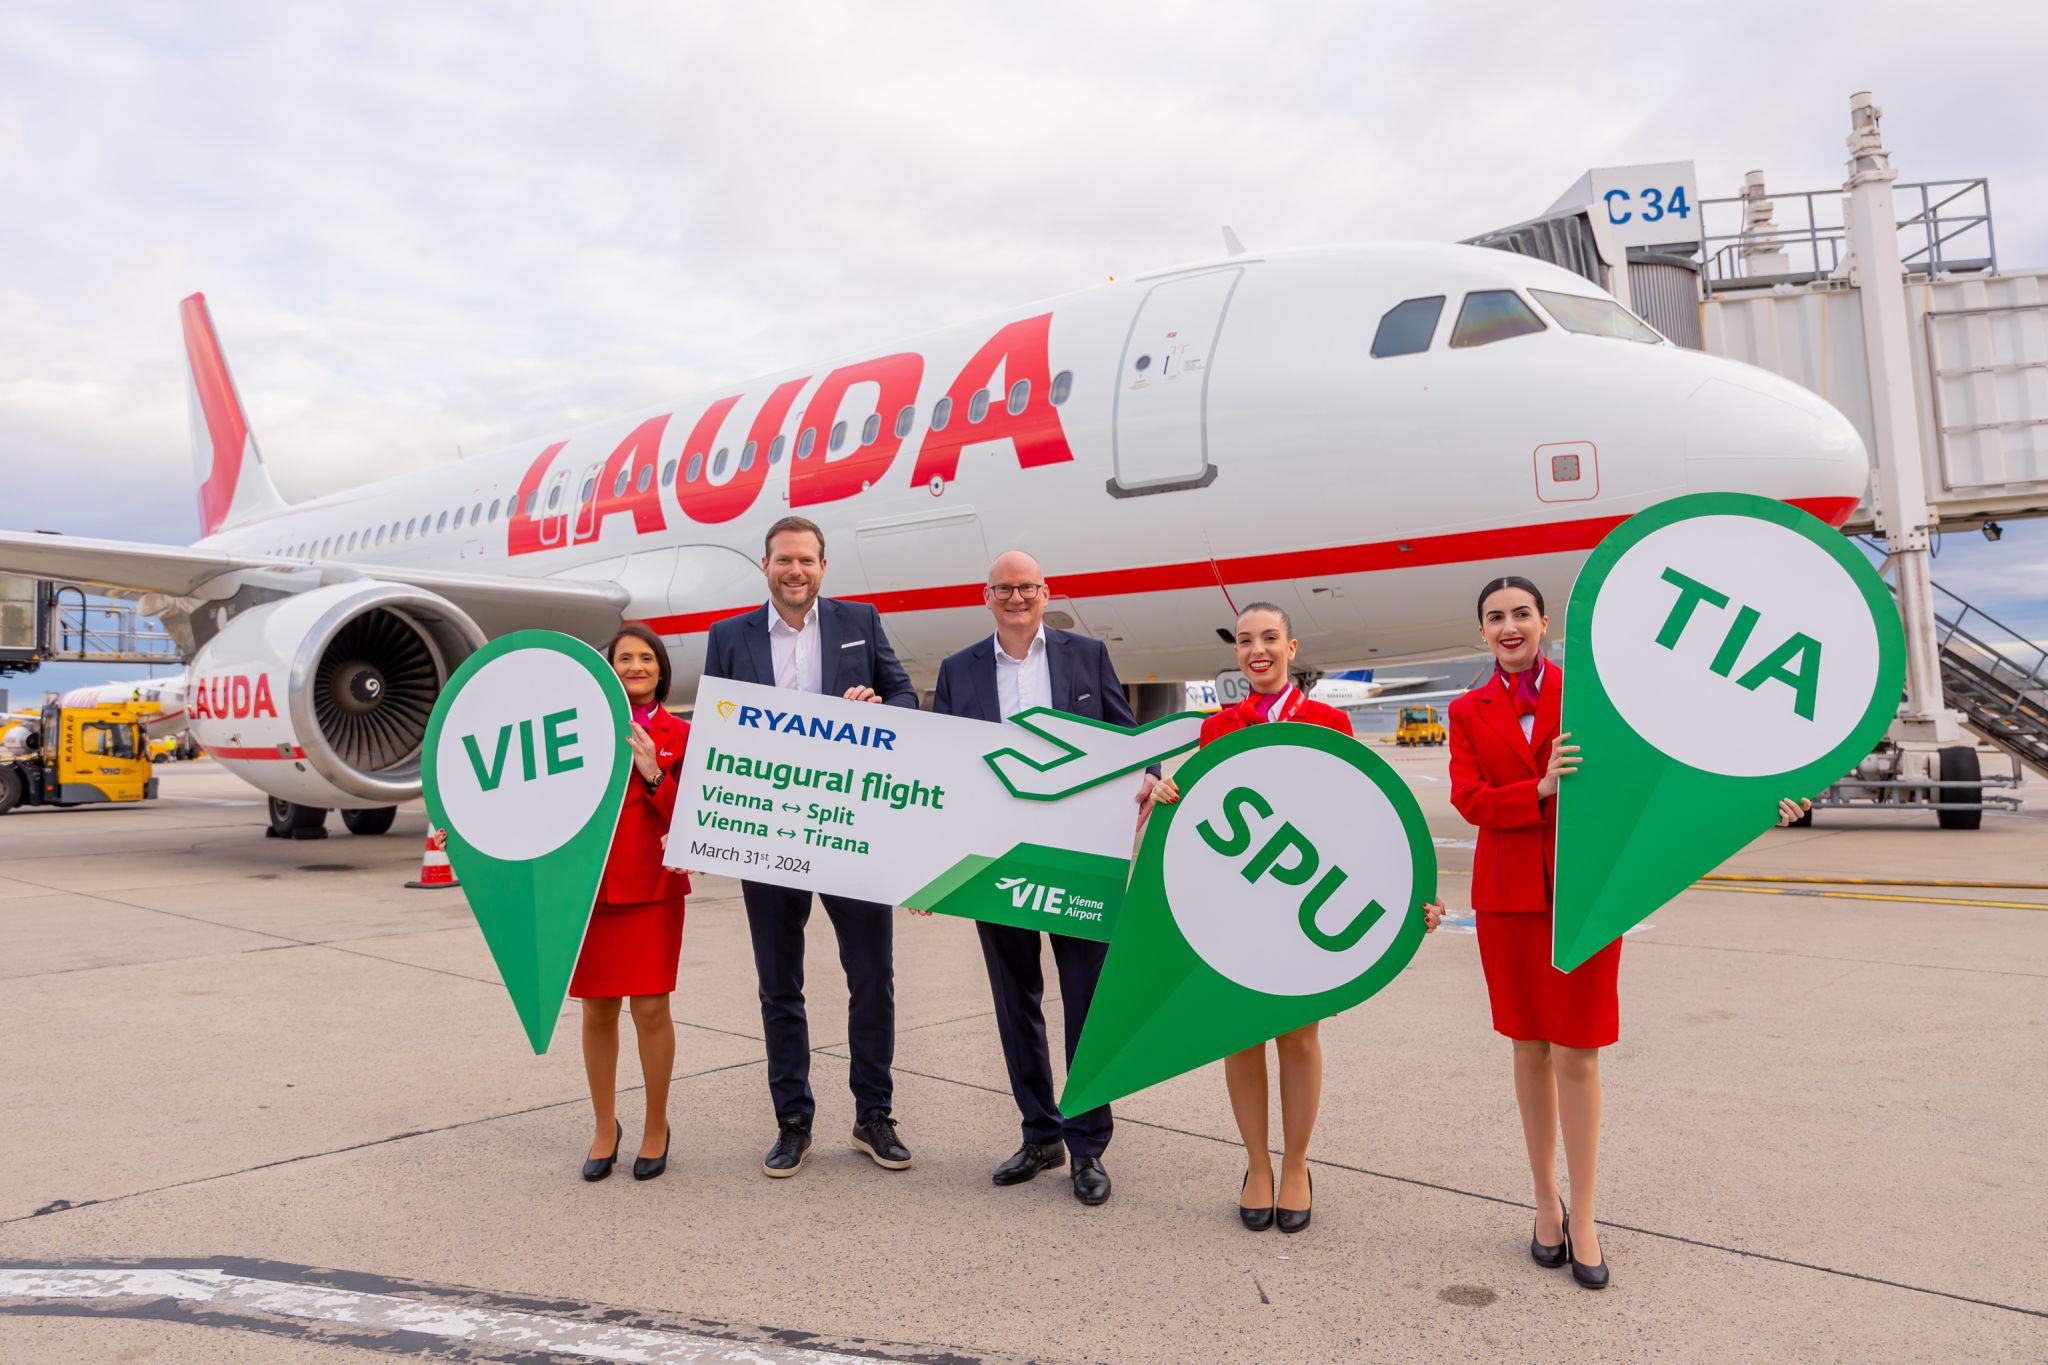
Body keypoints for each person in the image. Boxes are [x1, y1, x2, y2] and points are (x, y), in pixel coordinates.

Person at [1448, 575, 1808, 1290]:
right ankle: (1544, 1203)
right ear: (1481, 632)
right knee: (1529, 1048)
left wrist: (1756, 801)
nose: (1509, 626)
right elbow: (1469, 799)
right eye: (1495, 617)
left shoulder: (1592, 695)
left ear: (1545, 622)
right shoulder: (1465, 709)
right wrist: (1538, 788)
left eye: (1521, 613)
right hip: (1509, 899)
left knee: (1578, 1053)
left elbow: (1665, 765)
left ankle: (1583, 1214)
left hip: (1589, 892)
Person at [1148, 602, 1443, 1234]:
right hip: (1239, 906)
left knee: (1299, 1036)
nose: (1257, 650)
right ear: (1236, 653)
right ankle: (1257, 1164)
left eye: (1269, 639)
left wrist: (1409, 894)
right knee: (1239, 1036)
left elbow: (1361, 818)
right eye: (1246, 641)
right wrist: (1174, 794)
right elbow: (1205, 817)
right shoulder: (1217, 729)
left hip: (1300, 900)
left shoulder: (1329, 722)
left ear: (1291, 647)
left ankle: (1297, 1164)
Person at [931, 550, 1156, 1207]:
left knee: (1086, 1000)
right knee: (1015, 1000)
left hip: (1077, 854)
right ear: (987, 596)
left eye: (1026, 587)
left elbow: (1125, 734)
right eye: (1004, 589)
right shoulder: (958, 670)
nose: (1016, 597)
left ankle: (1087, 1145)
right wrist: (933, 864)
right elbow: (942, 767)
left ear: (1045, 592)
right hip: (995, 858)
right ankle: (1039, 1134)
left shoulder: (1086, 655)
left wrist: (1148, 773)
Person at [704, 515, 920, 1178]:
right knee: (780, 984)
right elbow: (716, 727)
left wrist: (878, 710)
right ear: (765, 565)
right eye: (783, 560)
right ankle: (792, 1122)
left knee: (872, 977)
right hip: (768, 832)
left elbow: (905, 695)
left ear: (823, 566)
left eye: (806, 560)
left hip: (849, 829)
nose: (794, 570)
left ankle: (873, 1115)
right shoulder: (729, 637)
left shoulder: (860, 621)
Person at [570, 622, 692, 1183]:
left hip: (651, 887)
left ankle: (656, 1126)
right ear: (609, 668)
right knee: (597, 1010)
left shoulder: (681, 735)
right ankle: (604, 1127)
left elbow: (694, 818)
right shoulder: (579, 729)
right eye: (624, 658)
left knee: (649, 1010)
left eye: (646, 658)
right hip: (590, 889)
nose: (636, 667)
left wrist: (652, 774)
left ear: (661, 670)